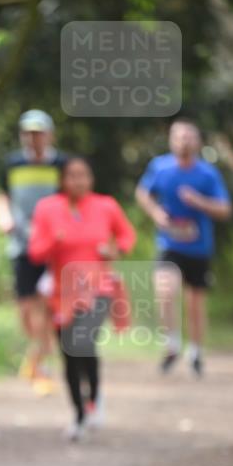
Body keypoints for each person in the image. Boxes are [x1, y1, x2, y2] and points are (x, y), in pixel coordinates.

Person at [29, 157, 136, 441]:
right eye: (72, 175)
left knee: (83, 342)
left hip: (99, 287)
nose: (78, 180)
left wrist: (116, 250)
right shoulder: (47, 208)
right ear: (62, 180)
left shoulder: (106, 206)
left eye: (83, 174)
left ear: (91, 179)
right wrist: (54, 241)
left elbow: (127, 235)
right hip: (62, 293)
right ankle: (79, 413)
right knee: (70, 352)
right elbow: (35, 252)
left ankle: (94, 398)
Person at [135, 119, 232, 377]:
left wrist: (199, 201)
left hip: (199, 247)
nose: (184, 141)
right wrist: (156, 213)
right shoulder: (160, 167)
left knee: (195, 303)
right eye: (179, 137)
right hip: (169, 244)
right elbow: (142, 194)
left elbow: (225, 209)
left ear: (198, 142)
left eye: (189, 137)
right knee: (165, 290)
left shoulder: (208, 174)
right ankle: (172, 344)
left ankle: (196, 352)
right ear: (171, 141)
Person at [0, 110, 65, 394]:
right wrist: (4, 218)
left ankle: (42, 365)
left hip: (54, 247)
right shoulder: (13, 164)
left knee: (46, 304)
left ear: (49, 135)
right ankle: (36, 352)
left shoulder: (61, 164)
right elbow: (2, 196)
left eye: (38, 133)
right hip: (21, 244)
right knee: (25, 308)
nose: (33, 138)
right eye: (28, 133)